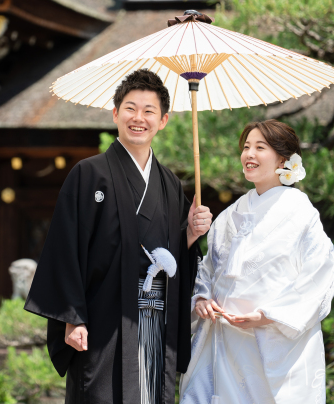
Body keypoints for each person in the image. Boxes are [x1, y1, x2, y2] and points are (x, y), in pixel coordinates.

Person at [25, 69, 213, 404]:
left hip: (156, 320)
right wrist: (72, 317)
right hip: (103, 322)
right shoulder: (88, 174)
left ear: (164, 120)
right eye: (130, 108)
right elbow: (65, 248)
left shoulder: (169, 183)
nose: (138, 118)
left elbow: (173, 256)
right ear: (115, 114)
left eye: (149, 111)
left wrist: (191, 235)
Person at [180, 120, 334, 404]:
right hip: (225, 344)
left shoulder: (300, 212)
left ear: (282, 159)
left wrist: (268, 315)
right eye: (246, 147)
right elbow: (208, 270)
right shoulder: (230, 215)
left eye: (260, 148)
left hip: (275, 341)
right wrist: (202, 297)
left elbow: (320, 274)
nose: (249, 154)